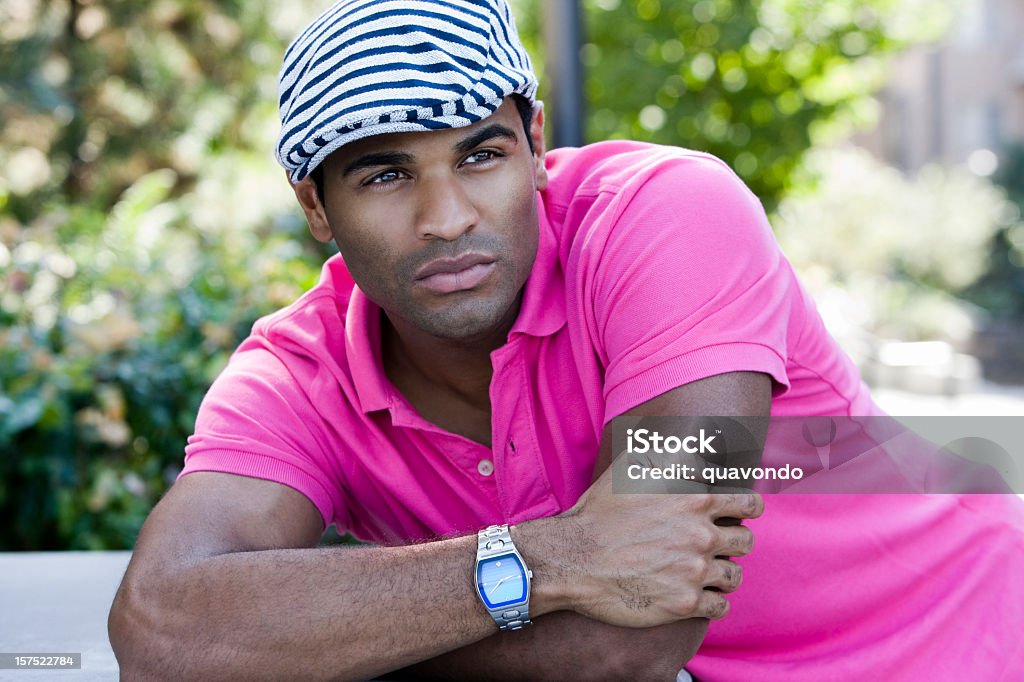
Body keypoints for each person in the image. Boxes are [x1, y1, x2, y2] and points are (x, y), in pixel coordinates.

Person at [108, 1, 1024, 680]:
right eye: (385, 173)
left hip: (970, 644)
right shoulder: (297, 375)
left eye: (480, 153)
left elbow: (636, 635)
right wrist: (553, 559)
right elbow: (161, 624)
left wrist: (312, 644)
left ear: (535, 143)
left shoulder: (668, 220)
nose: (447, 217)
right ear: (316, 205)